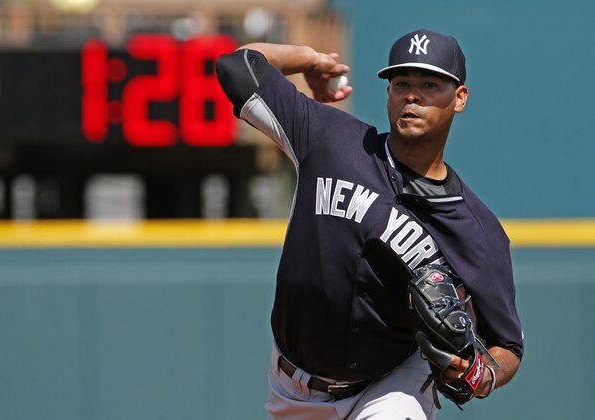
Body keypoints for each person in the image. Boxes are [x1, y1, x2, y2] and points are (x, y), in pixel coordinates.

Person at [216, 29, 523, 419]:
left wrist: (484, 374)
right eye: (401, 84)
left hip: (393, 383)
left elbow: (508, 346)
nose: (412, 95)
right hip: (293, 387)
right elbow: (237, 65)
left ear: (459, 98)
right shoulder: (331, 141)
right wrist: (309, 59)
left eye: (429, 84)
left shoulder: (476, 230)